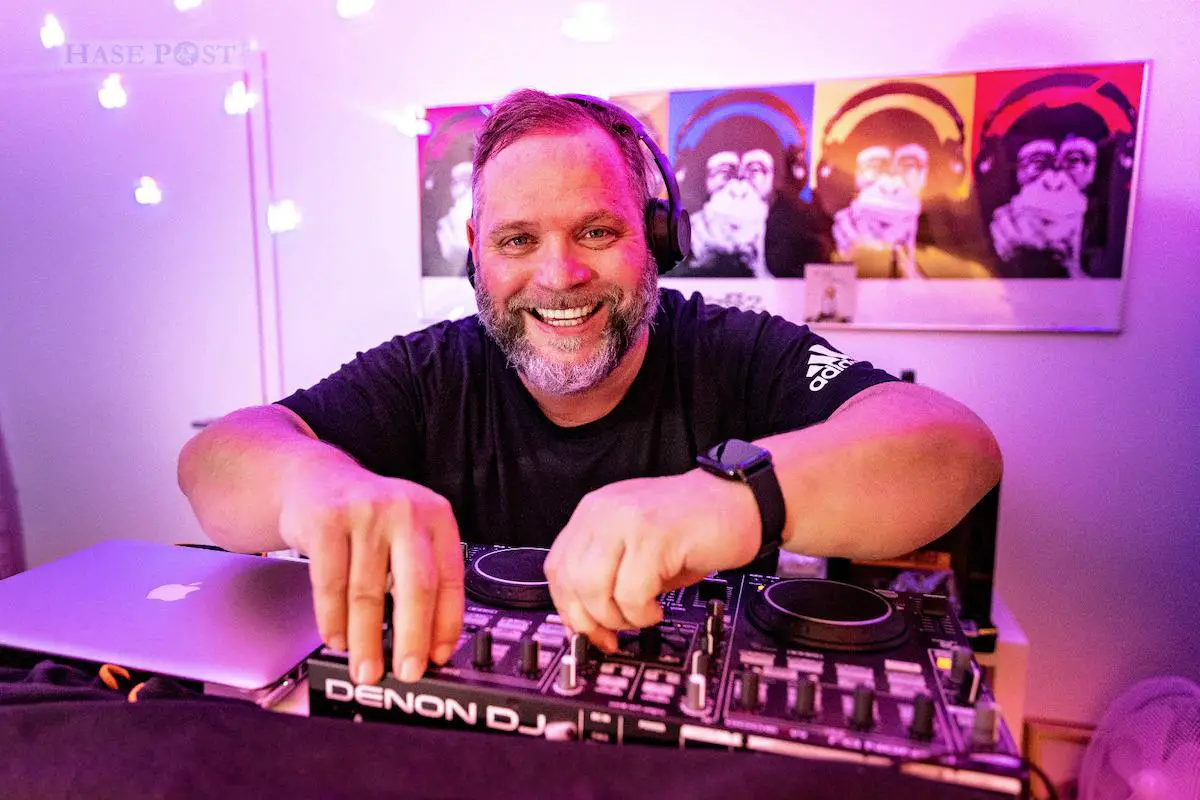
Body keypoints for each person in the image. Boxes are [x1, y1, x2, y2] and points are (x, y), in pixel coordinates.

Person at [177, 89, 1002, 690]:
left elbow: (953, 446)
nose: (558, 275)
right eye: (518, 240)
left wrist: (731, 499)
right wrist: (315, 484)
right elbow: (215, 459)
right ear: (476, 250)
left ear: (655, 236)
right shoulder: (428, 372)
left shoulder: (738, 350)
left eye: (597, 231)